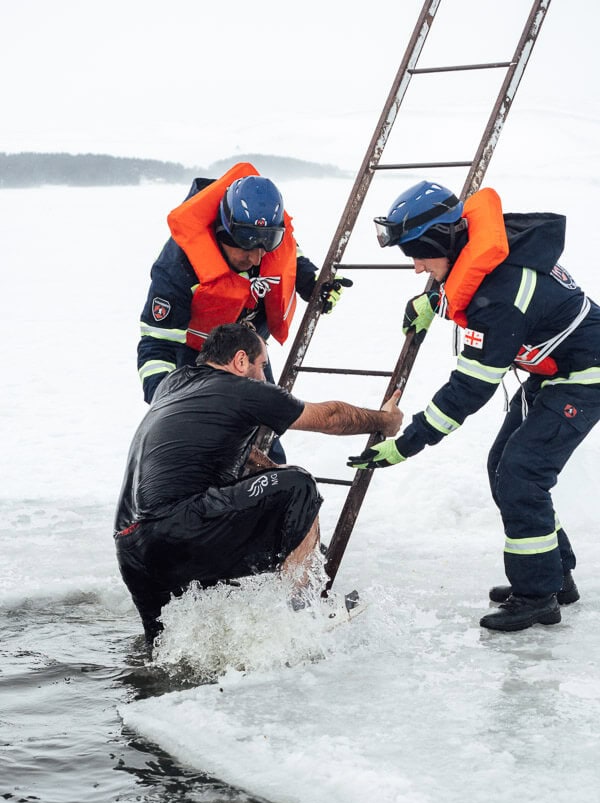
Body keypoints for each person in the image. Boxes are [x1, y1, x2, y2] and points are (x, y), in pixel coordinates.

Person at [348, 179, 600, 632]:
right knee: (502, 465)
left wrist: (407, 444)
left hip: (585, 377)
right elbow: (470, 282)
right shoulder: (482, 261)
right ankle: (555, 574)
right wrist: (431, 300)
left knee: (522, 473)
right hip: (552, 373)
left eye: (418, 255)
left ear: (441, 241)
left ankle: (538, 596)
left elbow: (468, 391)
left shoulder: (501, 297)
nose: (416, 267)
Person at [116, 323, 402, 645]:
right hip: (184, 528)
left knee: (166, 650)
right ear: (241, 361)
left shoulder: (173, 383)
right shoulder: (246, 390)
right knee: (299, 486)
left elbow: (216, 447)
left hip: (132, 547)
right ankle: (306, 610)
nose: (265, 376)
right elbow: (330, 417)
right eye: (262, 365)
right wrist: (384, 421)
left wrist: (269, 470)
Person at [137, 161, 352, 462]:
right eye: (246, 246)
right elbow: (156, 347)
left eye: (266, 245)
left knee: (266, 442)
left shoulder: (268, 241)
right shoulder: (177, 267)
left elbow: (292, 255)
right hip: (196, 363)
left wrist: (313, 282)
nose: (255, 257)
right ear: (223, 231)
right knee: (213, 454)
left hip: (250, 353)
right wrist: (171, 402)